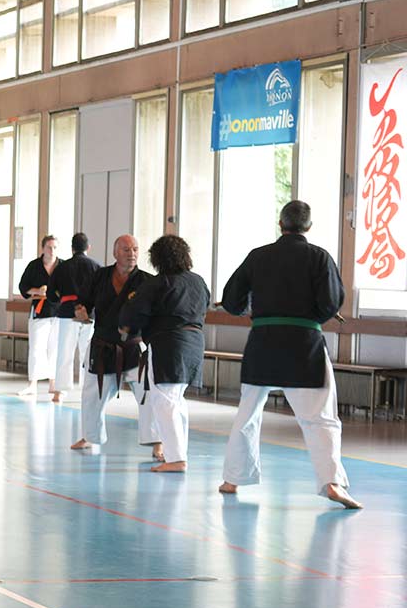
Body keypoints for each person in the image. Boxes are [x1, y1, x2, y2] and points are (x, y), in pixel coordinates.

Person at [218, 201, 359, 508]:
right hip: (302, 342)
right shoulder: (319, 257)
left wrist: (251, 310)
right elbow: (331, 302)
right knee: (320, 418)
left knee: (247, 413)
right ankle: (331, 482)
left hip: (262, 342)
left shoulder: (258, 256)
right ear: (308, 226)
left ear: (279, 224)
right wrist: (310, 315)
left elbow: (231, 300)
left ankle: (232, 478)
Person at [125, 234, 210, 475]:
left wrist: (128, 327)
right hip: (195, 342)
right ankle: (178, 453)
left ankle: (176, 458)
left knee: (165, 401)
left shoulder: (158, 283)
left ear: (157, 258)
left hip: (169, 344)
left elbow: (136, 314)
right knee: (176, 400)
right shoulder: (198, 281)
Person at [68, 236, 155, 457]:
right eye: (126, 249)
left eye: (135, 249)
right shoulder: (100, 276)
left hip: (134, 347)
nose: (132, 253)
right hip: (103, 344)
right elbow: (84, 301)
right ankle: (90, 436)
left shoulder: (146, 281)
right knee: (92, 394)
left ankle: (157, 441)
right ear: (115, 253)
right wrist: (81, 311)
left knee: (148, 394)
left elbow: (153, 314)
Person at [43, 233, 100, 402]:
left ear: (72, 248)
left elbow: (51, 294)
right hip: (89, 314)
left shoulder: (62, 267)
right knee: (88, 353)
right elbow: (101, 292)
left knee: (65, 353)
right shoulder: (96, 267)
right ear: (88, 247)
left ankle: (60, 391)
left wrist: (62, 299)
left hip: (67, 312)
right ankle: (87, 390)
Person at [16, 235, 61, 397]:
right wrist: (37, 291)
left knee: (54, 349)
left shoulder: (62, 266)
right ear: (43, 248)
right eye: (49, 247)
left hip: (58, 312)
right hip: (39, 312)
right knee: (36, 348)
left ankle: (53, 384)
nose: (52, 250)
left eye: (55, 247)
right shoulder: (34, 266)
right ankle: (32, 384)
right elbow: (23, 287)